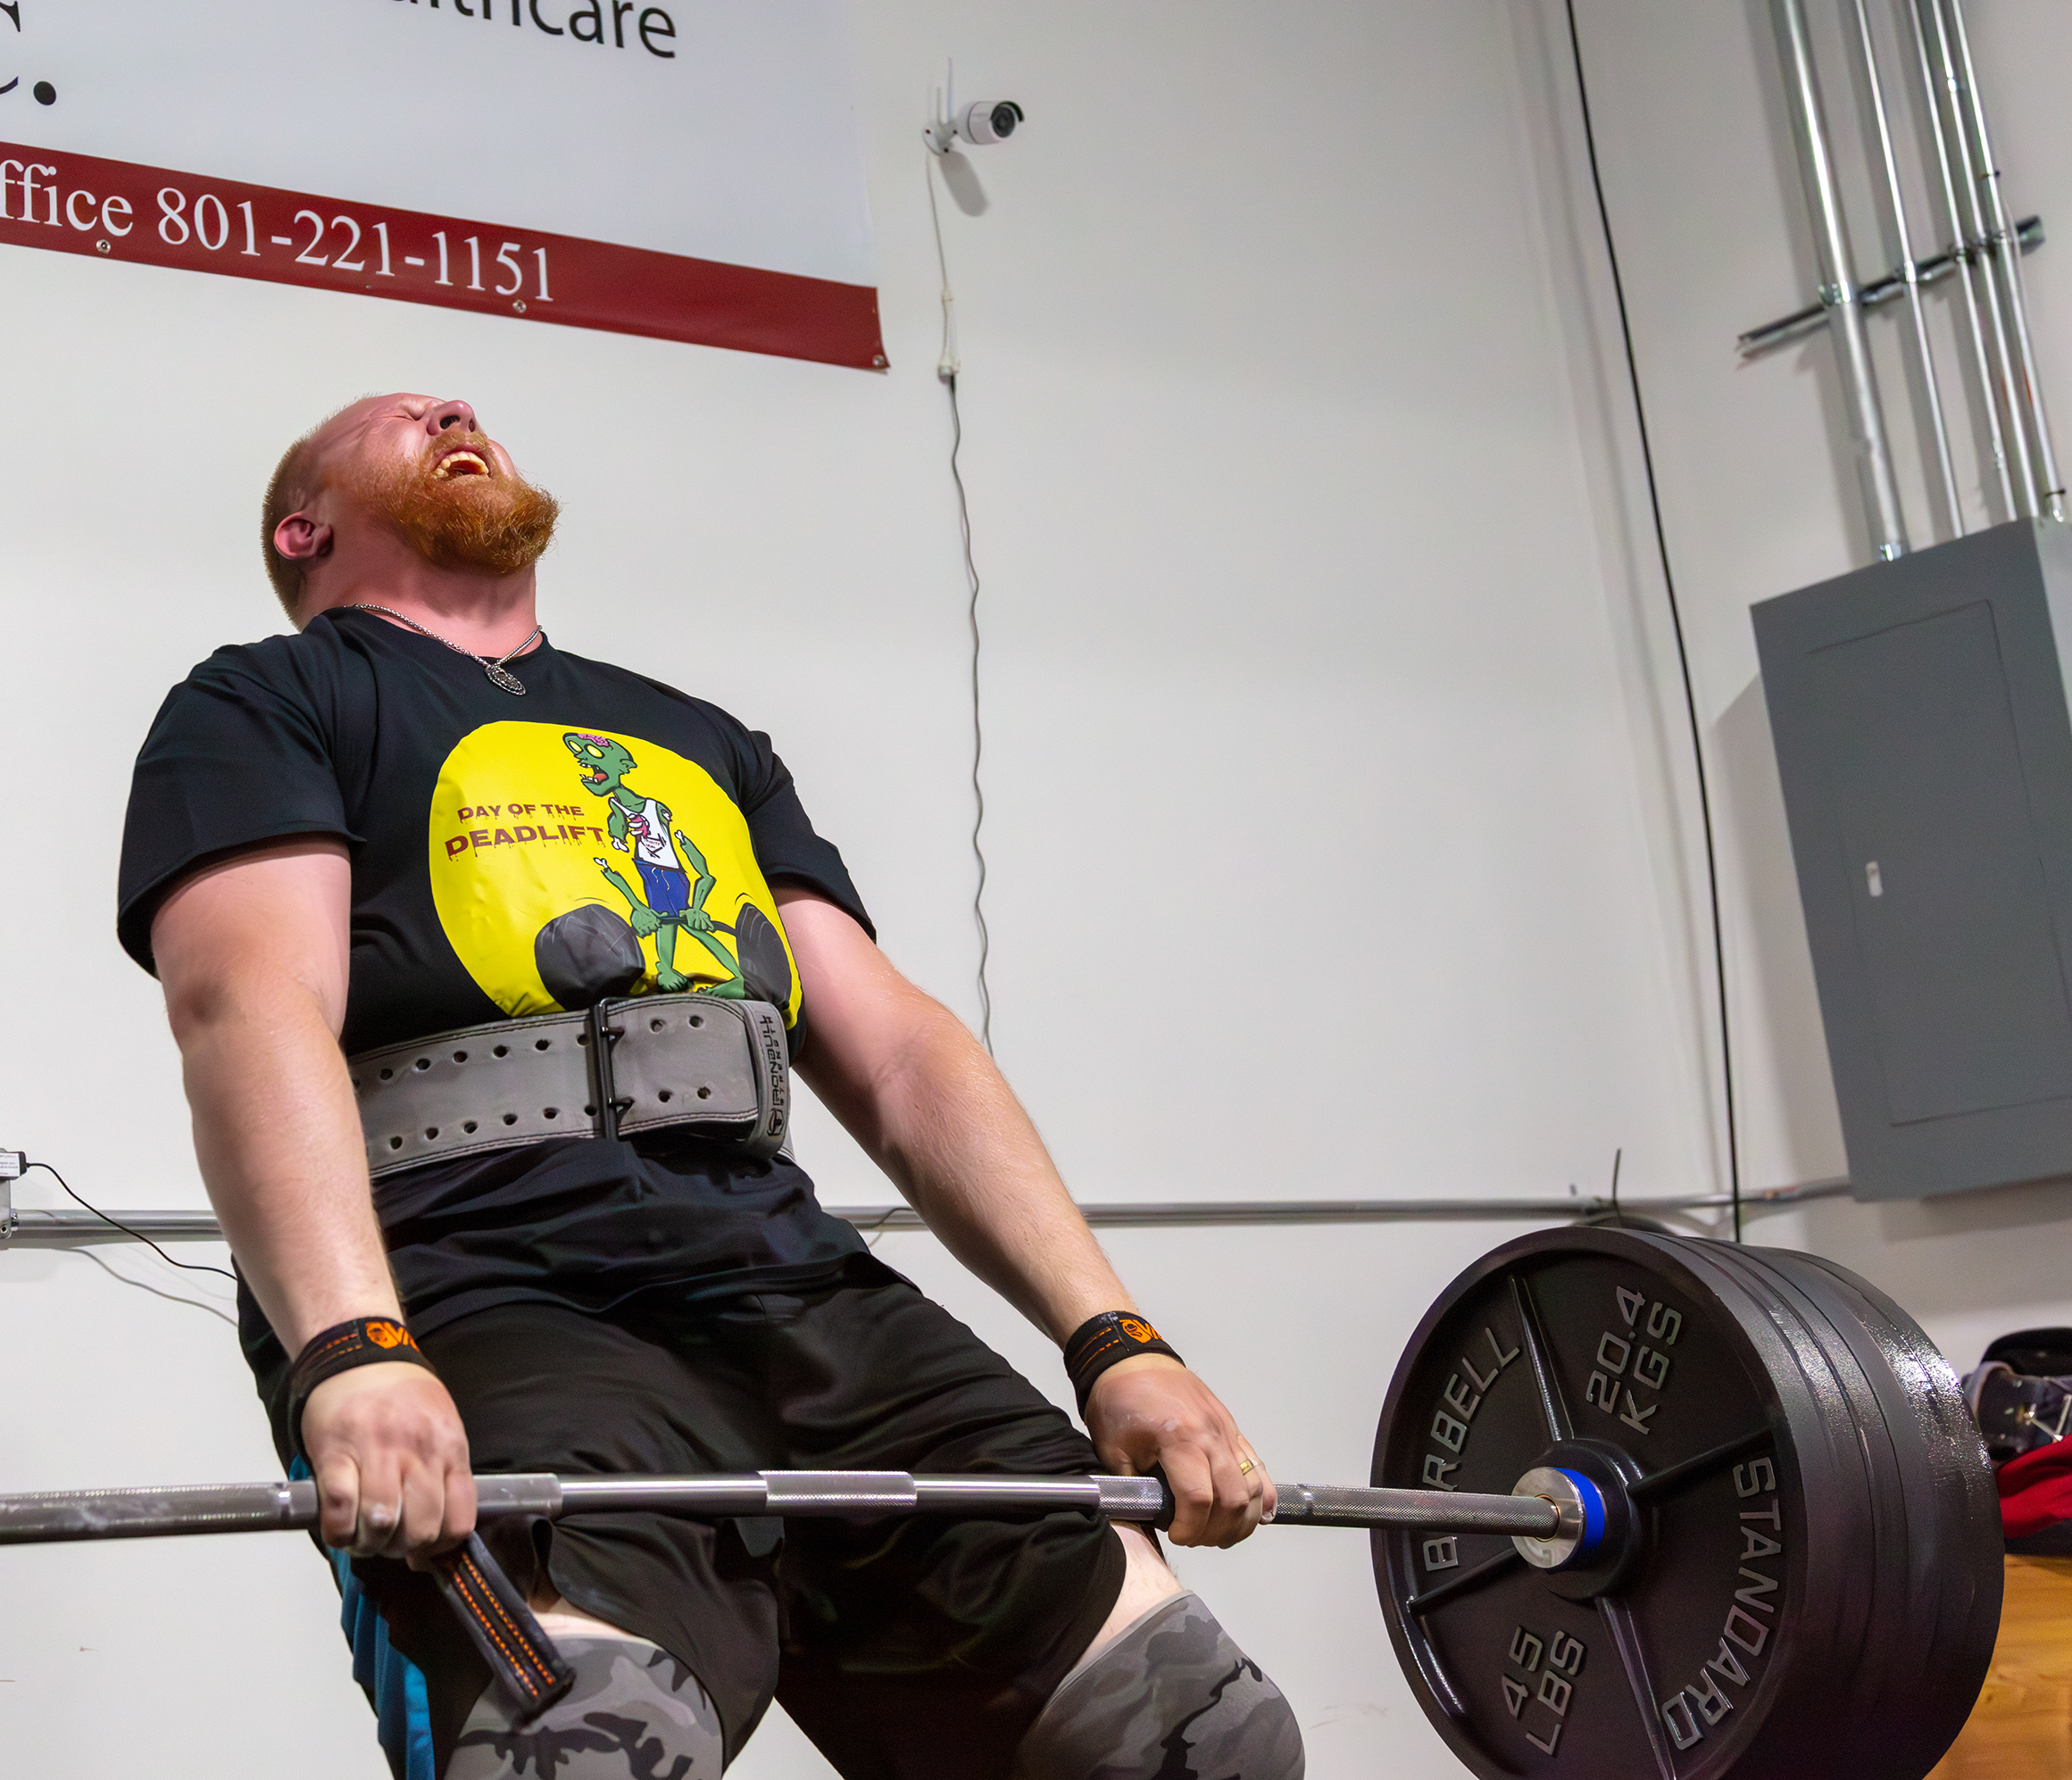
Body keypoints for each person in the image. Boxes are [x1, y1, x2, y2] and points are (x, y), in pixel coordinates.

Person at [117, 394, 1304, 1780]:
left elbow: (897, 1048)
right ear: (302, 528)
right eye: (400, 418)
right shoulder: (266, 701)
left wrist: (1118, 1341)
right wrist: (351, 1347)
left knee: (1195, 1740)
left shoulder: (697, 740)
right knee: (586, 1751)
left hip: (793, 1287)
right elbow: (249, 1007)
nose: (455, 411)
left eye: (466, 409)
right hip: (486, 1289)